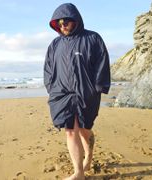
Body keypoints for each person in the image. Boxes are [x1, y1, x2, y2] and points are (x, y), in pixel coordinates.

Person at [44, 3, 111, 180]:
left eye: (66, 21)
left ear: (75, 20)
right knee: (70, 130)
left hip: (86, 93)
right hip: (62, 94)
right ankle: (78, 172)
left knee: (84, 130)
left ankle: (88, 155)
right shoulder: (55, 44)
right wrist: (51, 88)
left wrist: (98, 87)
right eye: (59, 22)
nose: (63, 24)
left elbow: (102, 62)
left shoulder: (93, 38)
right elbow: (49, 69)